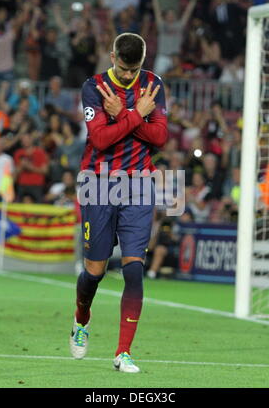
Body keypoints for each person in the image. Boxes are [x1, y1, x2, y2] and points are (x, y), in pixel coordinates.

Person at [70, 33, 167, 373]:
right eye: (125, 69)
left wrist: (124, 114)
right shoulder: (93, 87)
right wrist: (137, 115)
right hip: (98, 184)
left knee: (134, 269)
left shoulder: (153, 85)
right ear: (112, 57)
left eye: (135, 69)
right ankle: (81, 319)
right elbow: (99, 139)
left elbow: (161, 137)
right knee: (94, 273)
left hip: (139, 184)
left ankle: (123, 352)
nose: (129, 76)